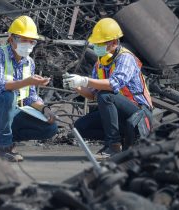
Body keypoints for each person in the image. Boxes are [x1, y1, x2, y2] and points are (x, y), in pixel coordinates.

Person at [63, 18, 153, 160]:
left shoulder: (125, 58)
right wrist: (77, 86)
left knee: (106, 95)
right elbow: (93, 95)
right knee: (81, 127)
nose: (97, 47)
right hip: (120, 116)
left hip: (139, 115)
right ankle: (120, 140)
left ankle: (113, 146)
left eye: (101, 43)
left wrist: (84, 80)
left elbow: (113, 84)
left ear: (114, 42)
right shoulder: (100, 63)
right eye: (96, 43)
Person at [0, 16, 58, 162]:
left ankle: (4, 138)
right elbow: (0, 85)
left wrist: (45, 109)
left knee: (50, 128)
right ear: (11, 39)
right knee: (8, 96)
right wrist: (27, 81)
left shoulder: (29, 63)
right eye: (24, 40)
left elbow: (30, 97)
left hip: (10, 114)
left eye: (32, 41)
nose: (29, 44)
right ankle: (4, 147)